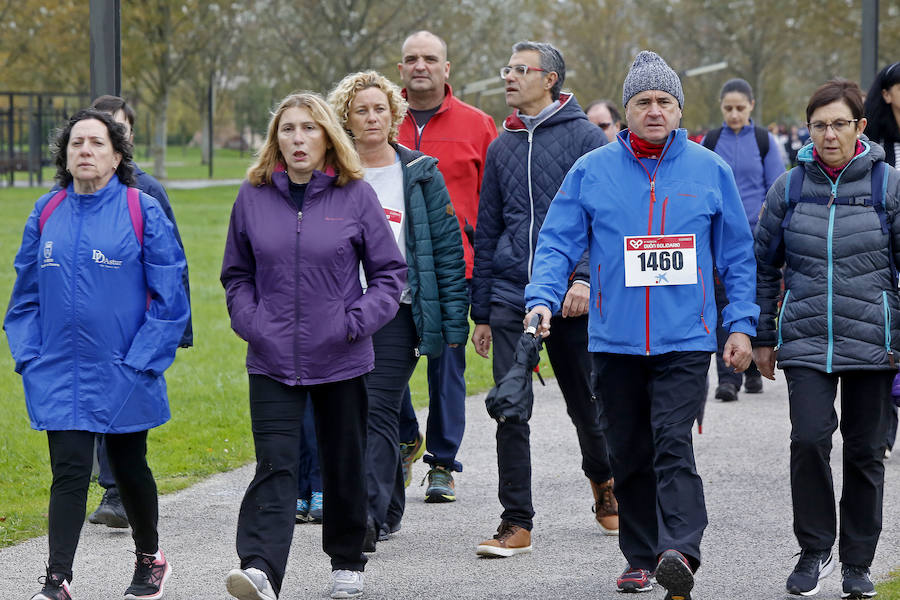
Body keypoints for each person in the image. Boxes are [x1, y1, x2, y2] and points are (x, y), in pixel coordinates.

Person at [523, 51, 757, 598]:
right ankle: (639, 554)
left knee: (672, 443)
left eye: (664, 102)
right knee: (626, 449)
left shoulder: (709, 170)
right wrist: (541, 298)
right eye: (643, 102)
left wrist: (742, 325)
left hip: (684, 338)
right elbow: (557, 241)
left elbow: (738, 258)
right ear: (627, 111)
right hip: (615, 339)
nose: (654, 111)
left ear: (679, 110)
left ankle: (680, 549)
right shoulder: (593, 170)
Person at [221, 92, 406, 600]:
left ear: (327, 137)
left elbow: (389, 274)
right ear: (275, 139)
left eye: (308, 128)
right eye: (287, 129)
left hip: (342, 354)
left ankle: (347, 562)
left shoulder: (356, 195)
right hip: (271, 356)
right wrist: (253, 323)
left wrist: (356, 321)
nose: (298, 139)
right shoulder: (253, 195)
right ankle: (260, 567)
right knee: (275, 463)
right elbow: (236, 275)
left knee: (344, 461)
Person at [5, 108, 190, 600]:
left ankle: (150, 557)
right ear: (65, 155)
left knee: (129, 468)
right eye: (76, 144)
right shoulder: (46, 212)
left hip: (124, 369)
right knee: (68, 470)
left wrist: (143, 360)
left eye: (96, 143)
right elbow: (23, 297)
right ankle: (57, 579)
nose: (85, 151)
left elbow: (170, 298)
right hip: (58, 371)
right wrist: (29, 354)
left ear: (116, 155)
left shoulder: (140, 209)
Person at [470, 40, 618, 559]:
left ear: (549, 78)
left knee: (587, 404)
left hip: (573, 299)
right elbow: (487, 231)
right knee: (511, 406)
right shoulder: (500, 145)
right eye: (506, 68)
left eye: (519, 70)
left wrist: (583, 279)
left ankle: (604, 482)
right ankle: (516, 522)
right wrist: (483, 311)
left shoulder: (586, 139)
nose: (508, 77)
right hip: (513, 296)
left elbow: (602, 219)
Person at [754, 79, 900, 599]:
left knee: (864, 452)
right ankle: (814, 548)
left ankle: (858, 563)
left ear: (860, 127)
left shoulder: (888, 185)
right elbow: (763, 266)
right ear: (807, 130)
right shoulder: (789, 187)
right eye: (819, 125)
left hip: (873, 342)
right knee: (809, 440)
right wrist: (763, 337)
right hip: (807, 339)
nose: (829, 134)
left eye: (840, 124)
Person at [328, 70, 468, 550]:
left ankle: (365, 514)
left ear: (394, 115)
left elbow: (446, 253)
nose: (371, 117)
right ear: (345, 117)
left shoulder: (420, 173)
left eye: (379, 109)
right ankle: (386, 508)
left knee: (376, 405)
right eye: (361, 109)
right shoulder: (333, 173)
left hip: (397, 310)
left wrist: (452, 324)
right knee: (356, 410)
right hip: (338, 312)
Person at [77, 95, 193, 530]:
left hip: (137, 327)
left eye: (118, 129)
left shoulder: (148, 192)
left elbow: (173, 263)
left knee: (123, 407)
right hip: (89, 329)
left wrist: (177, 330)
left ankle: (120, 494)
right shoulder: (66, 196)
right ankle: (112, 490)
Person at [395, 30, 497, 504]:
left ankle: (441, 462)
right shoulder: (377, 120)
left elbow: (493, 204)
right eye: (412, 59)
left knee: (446, 366)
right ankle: (404, 435)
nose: (421, 66)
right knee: (378, 364)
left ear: (446, 68)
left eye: (430, 58)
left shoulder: (478, 125)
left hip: (456, 266)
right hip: (388, 267)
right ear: (400, 70)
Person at [701, 78, 784, 402]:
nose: (734, 114)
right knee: (723, 301)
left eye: (740, 108)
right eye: (728, 108)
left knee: (750, 297)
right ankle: (728, 377)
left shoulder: (764, 141)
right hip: (719, 235)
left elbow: (776, 188)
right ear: (721, 108)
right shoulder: (711, 140)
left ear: (751, 106)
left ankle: (751, 370)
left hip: (755, 234)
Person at [864, 62, 900, 462]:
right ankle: (884, 431)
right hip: (883, 248)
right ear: (887, 94)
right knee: (887, 337)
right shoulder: (873, 142)